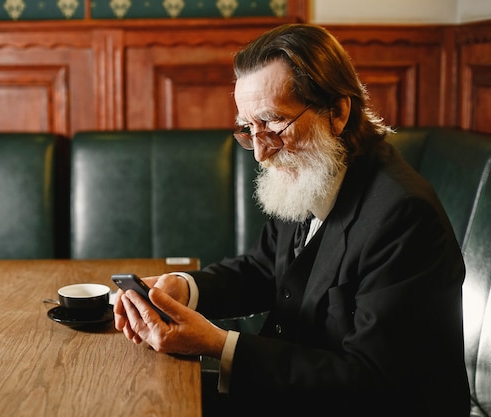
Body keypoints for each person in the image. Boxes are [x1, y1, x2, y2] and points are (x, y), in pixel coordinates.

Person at [113, 23, 470, 416]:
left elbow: (372, 383)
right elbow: (264, 269)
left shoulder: (403, 217)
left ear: (336, 112)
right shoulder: (314, 171)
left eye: (273, 124)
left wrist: (216, 343)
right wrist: (183, 290)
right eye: (250, 129)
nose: (260, 153)